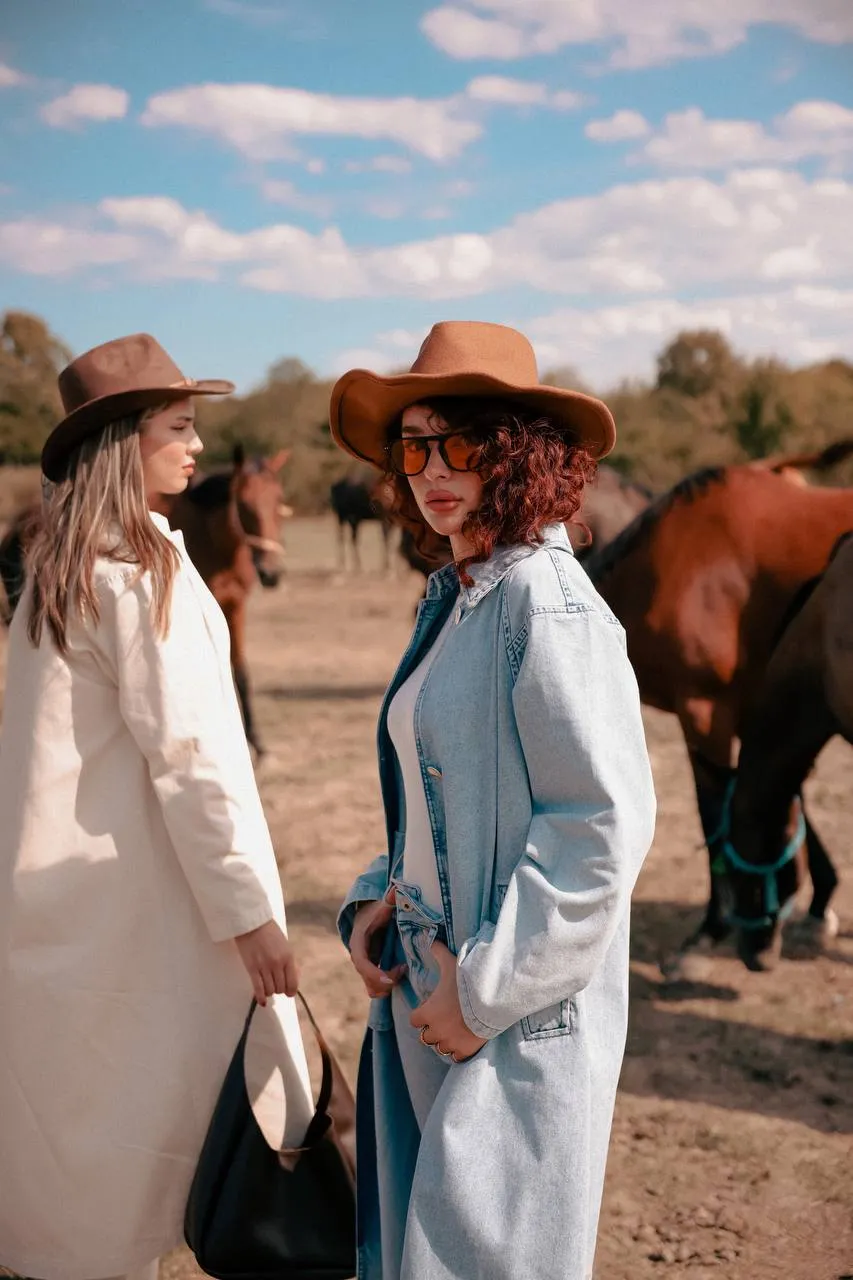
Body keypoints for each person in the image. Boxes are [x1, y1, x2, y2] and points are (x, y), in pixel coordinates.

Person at [330, 321, 657, 1280]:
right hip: (427, 987)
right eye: (415, 445)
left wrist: (479, 995)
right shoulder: (458, 592)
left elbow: (599, 830)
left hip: (509, 1013)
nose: (435, 469)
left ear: (519, 455)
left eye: (463, 444)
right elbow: (440, 793)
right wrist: (378, 896)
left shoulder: (545, 604)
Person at [0, 334, 312, 1280]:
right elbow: (194, 761)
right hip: (126, 909)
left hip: (47, 910)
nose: (196, 447)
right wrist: (251, 915)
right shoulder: (138, 574)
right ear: (123, 443)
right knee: (142, 1147)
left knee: (62, 1151)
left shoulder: (54, 571)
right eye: (177, 428)